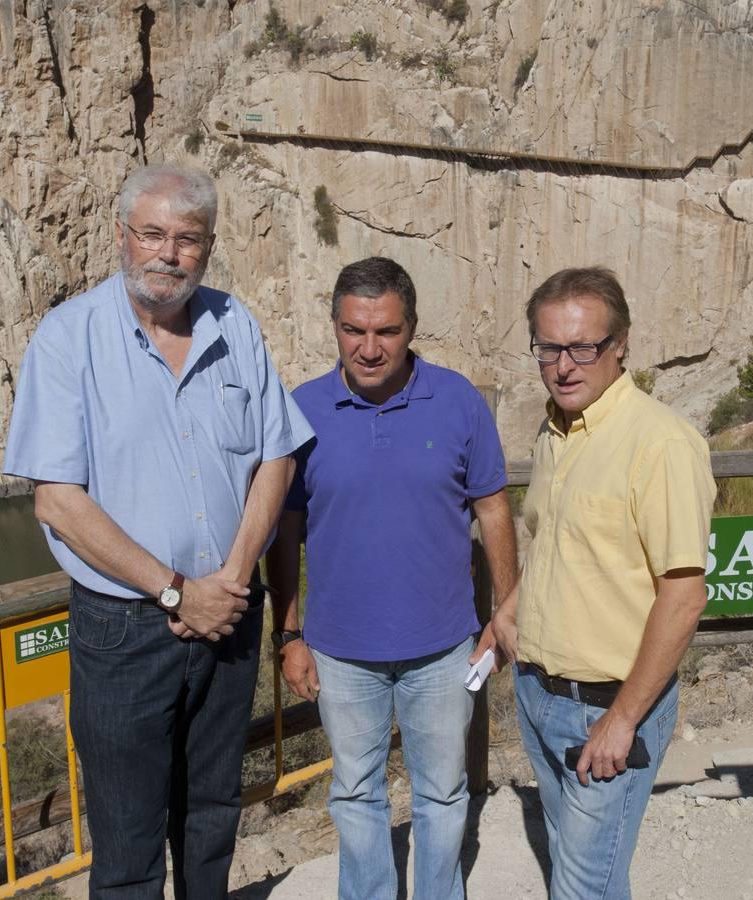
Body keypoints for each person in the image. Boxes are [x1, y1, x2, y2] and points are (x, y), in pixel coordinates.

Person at [3, 164, 313, 898]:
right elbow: (56, 501)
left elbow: (276, 455)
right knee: (128, 839)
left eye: (187, 239)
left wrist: (231, 579)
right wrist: (177, 594)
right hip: (126, 627)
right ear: (121, 235)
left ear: (207, 248)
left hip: (231, 611)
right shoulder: (68, 338)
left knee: (211, 817)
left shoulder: (235, 325)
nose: (167, 254)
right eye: (151, 234)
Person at [270, 256, 518, 900]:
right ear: (335, 325)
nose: (369, 348)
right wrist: (288, 633)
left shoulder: (458, 400)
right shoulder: (302, 411)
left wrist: (507, 612)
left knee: (442, 791)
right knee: (355, 794)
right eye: (354, 330)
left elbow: (494, 508)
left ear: (412, 328)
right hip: (339, 650)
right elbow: (285, 530)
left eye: (386, 331)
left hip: (444, 647)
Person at [483, 267, 715, 900]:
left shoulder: (660, 444)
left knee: (583, 886)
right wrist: (511, 608)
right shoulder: (556, 431)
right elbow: (559, 547)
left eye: (583, 346)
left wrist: (623, 719)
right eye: (549, 347)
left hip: (608, 708)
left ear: (621, 345)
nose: (564, 365)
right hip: (538, 692)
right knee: (584, 872)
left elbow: (684, 595)